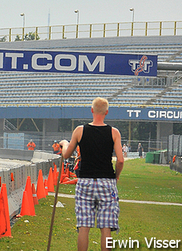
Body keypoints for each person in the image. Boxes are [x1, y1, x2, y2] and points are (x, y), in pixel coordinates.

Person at [61, 97, 124, 251]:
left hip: (85, 181)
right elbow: (121, 160)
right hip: (107, 182)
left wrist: (64, 144)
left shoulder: (79, 130)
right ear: (106, 112)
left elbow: (66, 155)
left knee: (84, 226)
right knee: (106, 227)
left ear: (92, 110)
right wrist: (116, 175)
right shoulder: (114, 132)